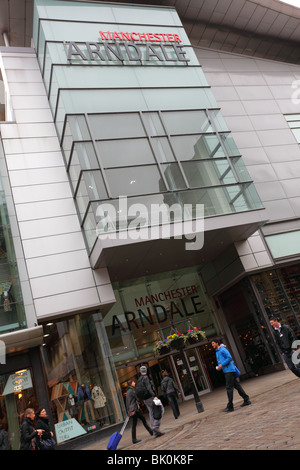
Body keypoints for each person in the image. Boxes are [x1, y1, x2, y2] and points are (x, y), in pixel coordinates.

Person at [211, 339, 251, 412]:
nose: (212, 345)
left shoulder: (222, 349)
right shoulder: (217, 351)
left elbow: (229, 357)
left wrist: (222, 365)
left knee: (229, 387)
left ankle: (230, 406)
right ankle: (246, 399)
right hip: (226, 370)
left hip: (229, 370)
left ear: (217, 343)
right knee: (236, 385)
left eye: (213, 343)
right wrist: (220, 367)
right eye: (212, 344)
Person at [136, 366, 164, 438]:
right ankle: (155, 426)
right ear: (146, 371)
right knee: (160, 409)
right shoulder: (145, 377)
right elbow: (149, 388)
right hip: (149, 397)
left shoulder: (139, 379)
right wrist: (154, 395)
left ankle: (155, 433)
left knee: (151, 413)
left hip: (145, 399)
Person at [126, 379, 153, 444]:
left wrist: (129, 410)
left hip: (132, 409)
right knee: (142, 420)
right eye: (133, 382)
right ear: (131, 383)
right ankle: (150, 432)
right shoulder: (132, 390)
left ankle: (134, 438)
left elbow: (127, 402)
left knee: (136, 423)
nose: (134, 383)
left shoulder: (128, 391)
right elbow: (137, 397)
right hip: (134, 410)